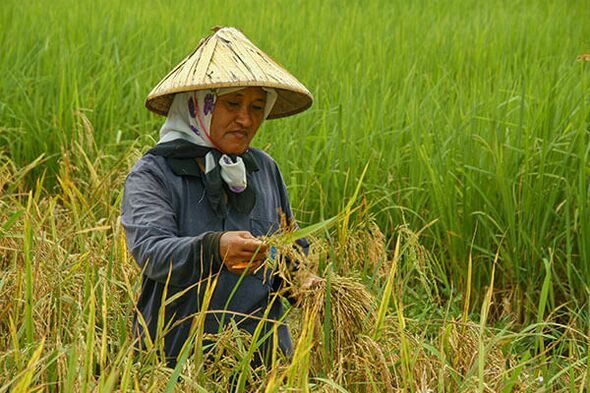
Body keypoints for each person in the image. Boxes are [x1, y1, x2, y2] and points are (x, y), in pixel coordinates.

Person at [121, 27, 313, 368]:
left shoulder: (263, 169)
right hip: (176, 363)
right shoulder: (154, 173)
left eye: (257, 106)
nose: (246, 119)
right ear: (200, 106)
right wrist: (214, 248)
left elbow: (289, 248)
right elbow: (151, 252)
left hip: (260, 363)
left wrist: (306, 282)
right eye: (232, 103)